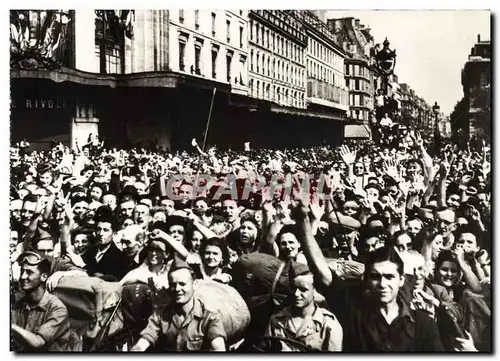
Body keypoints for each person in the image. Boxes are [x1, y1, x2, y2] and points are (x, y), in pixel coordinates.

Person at [130, 258, 227, 351]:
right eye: (173, 285)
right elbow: (144, 341)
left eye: (182, 284)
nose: (177, 289)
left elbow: (218, 348)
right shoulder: (161, 314)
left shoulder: (209, 315)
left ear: (195, 284)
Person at [11, 252, 82, 352]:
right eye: (22, 271)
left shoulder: (57, 308)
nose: (23, 277)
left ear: (44, 277)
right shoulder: (20, 304)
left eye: (29, 272)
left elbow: (38, 342)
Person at [265, 262, 343, 351]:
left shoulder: (327, 324)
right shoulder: (277, 320)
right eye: (293, 288)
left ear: (314, 291)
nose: (296, 294)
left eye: (303, 290)